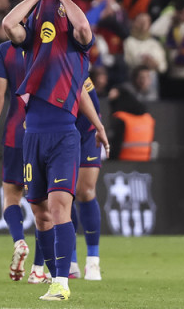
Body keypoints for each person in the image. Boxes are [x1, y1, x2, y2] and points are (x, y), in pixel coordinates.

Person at [2, 0, 108, 301]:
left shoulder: (77, 46)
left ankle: (62, 282)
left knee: (60, 205)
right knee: (40, 212)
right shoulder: (30, 43)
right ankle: (52, 277)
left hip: (64, 134)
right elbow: (9, 24)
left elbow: (84, 25)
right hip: (31, 133)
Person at [0, 38, 49, 284]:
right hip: (47, 129)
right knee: (43, 208)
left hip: (16, 131)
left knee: (11, 196)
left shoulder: (5, 49)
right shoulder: (51, 44)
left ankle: (19, 240)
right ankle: (38, 270)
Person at [70, 77, 105, 281]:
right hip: (61, 131)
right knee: (65, 194)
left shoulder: (79, 69)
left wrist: (98, 127)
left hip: (87, 131)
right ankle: (71, 262)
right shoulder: (41, 66)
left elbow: (94, 102)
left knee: (85, 191)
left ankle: (93, 261)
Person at [109, 86, 155, 161]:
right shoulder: (148, 118)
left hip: (123, 161)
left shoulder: (121, 118)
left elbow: (116, 146)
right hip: (145, 161)